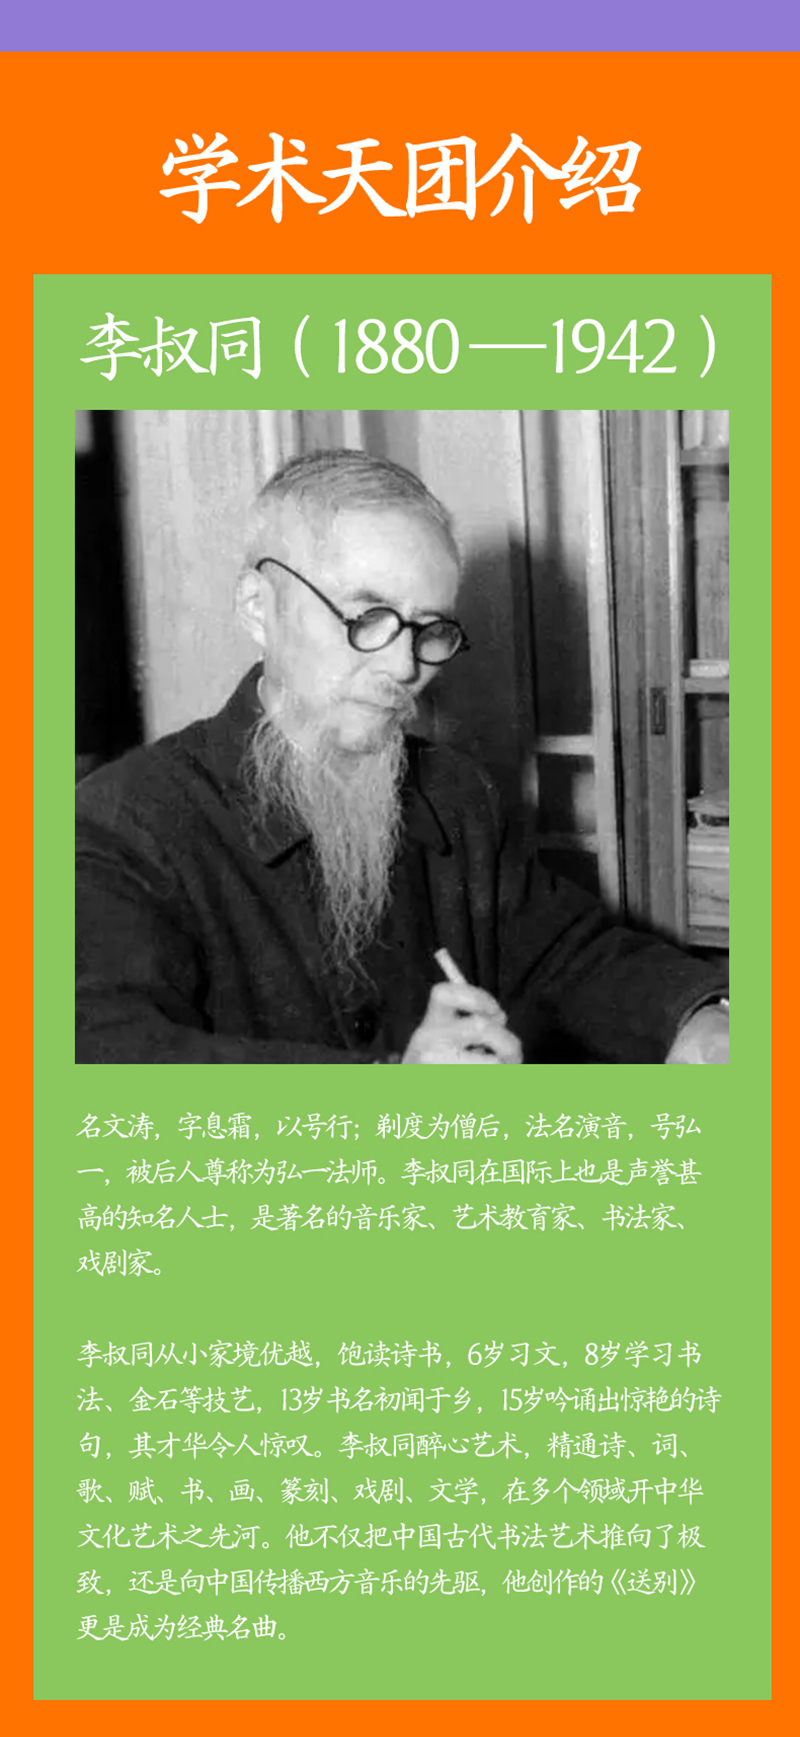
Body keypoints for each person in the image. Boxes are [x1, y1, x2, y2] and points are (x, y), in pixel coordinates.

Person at [76, 449, 729, 1065]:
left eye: (430, 629)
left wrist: (697, 1020)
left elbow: (563, 950)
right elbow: (104, 1060)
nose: (405, 666)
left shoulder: (453, 794)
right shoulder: (123, 822)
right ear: (258, 608)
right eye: (367, 618)